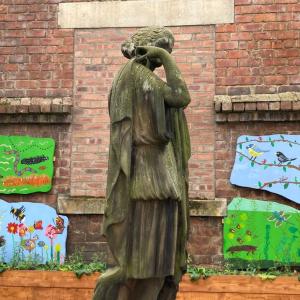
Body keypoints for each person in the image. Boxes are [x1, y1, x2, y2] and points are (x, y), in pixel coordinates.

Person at [93, 26, 191, 300]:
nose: (166, 58)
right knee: (152, 267)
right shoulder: (141, 77)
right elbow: (180, 96)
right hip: (155, 177)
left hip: (150, 176)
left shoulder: (127, 79)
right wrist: (167, 59)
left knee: (143, 267)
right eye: (165, 51)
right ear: (153, 51)